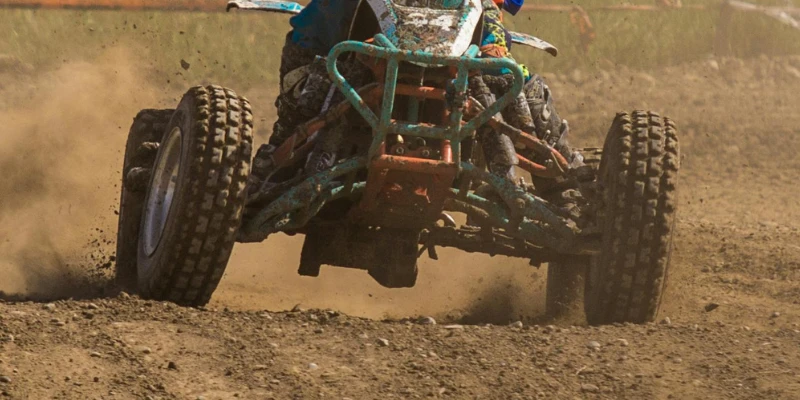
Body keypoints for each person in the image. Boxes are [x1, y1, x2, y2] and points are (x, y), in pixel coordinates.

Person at [251, 0, 577, 190]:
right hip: (366, 28)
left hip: (460, 24)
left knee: (504, 71)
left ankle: (562, 184)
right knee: (323, 50)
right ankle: (280, 152)